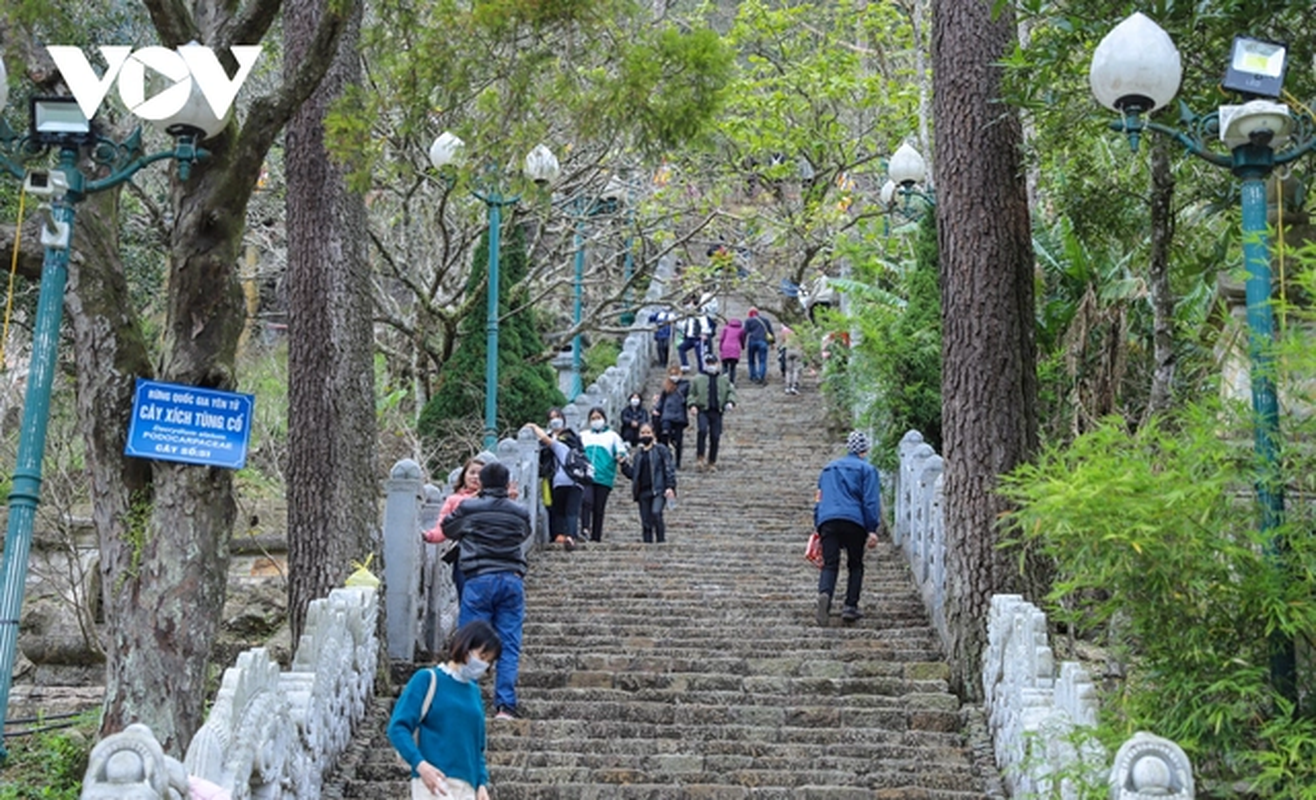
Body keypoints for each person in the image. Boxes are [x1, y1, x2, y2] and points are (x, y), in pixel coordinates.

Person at [443, 462, 533, 719]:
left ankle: (467, 700)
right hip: (511, 578)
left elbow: (449, 528)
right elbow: (524, 534)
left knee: (470, 641)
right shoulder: (519, 512)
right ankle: (505, 704)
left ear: (481, 483)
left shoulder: (469, 508)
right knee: (509, 643)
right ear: (507, 485)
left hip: (479, 578)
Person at [388, 620, 501, 800]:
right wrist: (421, 765)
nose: (484, 665)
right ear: (466, 647)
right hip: (434, 783)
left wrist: (481, 783)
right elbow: (398, 727)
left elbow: (477, 746)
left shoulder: (473, 692)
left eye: (489, 661)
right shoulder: (427, 679)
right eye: (482, 656)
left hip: (468, 788)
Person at [813, 431, 882, 627]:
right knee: (855, 564)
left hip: (828, 519)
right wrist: (872, 528)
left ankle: (825, 596)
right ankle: (850, 606)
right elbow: (870, 501)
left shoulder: (828, 469)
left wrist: (818, 524)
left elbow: (819, 499)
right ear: (864, 450)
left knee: (830, 564)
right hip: (854, 521)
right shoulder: (867, 470)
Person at [424, 456, 485, 600]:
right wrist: (429, 536)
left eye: (481, 474)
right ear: (464, 475)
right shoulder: (453, 500)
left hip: (488, 554)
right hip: (464, 554)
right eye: (472, 472)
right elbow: (443, 527)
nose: (476, 477)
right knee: (465, 596)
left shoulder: (491, 500)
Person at [528, 408, 584, 550]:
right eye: (552, 418)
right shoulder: (566, 439)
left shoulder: (565, 440)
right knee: (563, 509)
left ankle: (563, 535)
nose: (555, 420)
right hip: (564, 479)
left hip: (565, 479)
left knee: (565, 510)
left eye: (557, 417)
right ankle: (566, 536)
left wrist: (534, 427)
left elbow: (548, 442)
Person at [620, 421, 677, 543]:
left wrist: (670, 486)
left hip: (658, 489)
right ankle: (648, 545)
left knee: (656, 513)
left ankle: (661, 541)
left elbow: (669, 468)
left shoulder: (661, 450)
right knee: (646, 521)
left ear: (653, 434)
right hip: (642, 492)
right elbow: (634, 474)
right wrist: (623, 465)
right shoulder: (638, 454)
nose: (645, 435)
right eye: (642, 433)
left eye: (648, 432)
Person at [579, 407, 628, 543]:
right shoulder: (583, 436)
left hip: (604, 476)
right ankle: (584, 528)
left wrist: (620, 457)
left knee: (599, 508)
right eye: (593, 418)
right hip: (586, 475)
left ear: (604, 419)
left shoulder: (612, 436)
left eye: (598, 418)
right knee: (586, 500)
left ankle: (596, 537)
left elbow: (622, 451)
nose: (596, 421)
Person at [686, 351, 737, 472]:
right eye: (708, 363)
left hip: (717, 411)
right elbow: (691, 394)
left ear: (717, 364)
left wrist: (730, 402)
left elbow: (731, 392)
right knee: (702, 431)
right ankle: (700, 457)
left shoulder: (723, 379)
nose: (711, 365)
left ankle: (712, 461)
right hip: (703, 410)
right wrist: (692, 405)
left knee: (715, 436)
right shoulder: (698, 379)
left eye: (713, 363)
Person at [654, 367, 690, 469]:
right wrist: (657, 409)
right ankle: (666, 459)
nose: (674, 377)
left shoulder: (686, 385)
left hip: (679, 415)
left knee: (679, 440)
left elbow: (690, 397)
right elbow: (662, 400)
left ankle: (678, 461)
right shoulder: (666, 386)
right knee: (665, 433)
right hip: (667, 414)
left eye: (676, 374)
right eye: (672, 374)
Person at [741, 307, 775, 385]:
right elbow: (770, 332)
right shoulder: (765, 320)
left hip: (752, 341)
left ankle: (753, 376)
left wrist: (742, 343)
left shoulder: (748, 321)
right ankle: (761, 376)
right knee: (762, 360)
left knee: (751, 360)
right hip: (763, 341)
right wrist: (772, 343)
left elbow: (745, 333)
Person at [675, 300, 710, 372]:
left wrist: (704, 333)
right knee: (681, 348)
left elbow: (704, 324)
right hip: (689, 338)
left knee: (700, 354)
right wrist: (676, 323)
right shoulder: (687, 316)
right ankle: (685, 365)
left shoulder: (700, 314)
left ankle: (702, 370)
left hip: (698, 337)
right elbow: (683, 325)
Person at [718, 318, 744, 384]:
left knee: (724, 366)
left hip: (725, 347)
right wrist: (743, 346)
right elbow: (742, 339)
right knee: (733, 367)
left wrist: (720, 347)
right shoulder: (740, 330)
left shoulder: (726, 328)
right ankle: (731, 382)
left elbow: (722, 339)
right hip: (735, 348)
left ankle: (724, 382)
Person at [780, 324, 803, 395]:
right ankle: (794, 386)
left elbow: (783, 340)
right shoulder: (800, 330)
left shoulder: (785, 330)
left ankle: (787, 386)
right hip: (797, 349)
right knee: (796, 369)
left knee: (788, 370)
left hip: (788, 349)